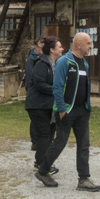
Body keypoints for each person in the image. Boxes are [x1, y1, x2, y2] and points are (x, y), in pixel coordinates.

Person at [34, 32, 100, 192]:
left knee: (84, 145)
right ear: (78, 45)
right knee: (60, 143)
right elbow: (57, 87)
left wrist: (87, 106)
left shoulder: (84, 63)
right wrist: (62, 109)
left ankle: (83, 179)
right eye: (88, 43)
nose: (90, 46)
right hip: (67, 111)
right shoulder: (64, 62)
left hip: (82, 111)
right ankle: (42, 171)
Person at [25, 36, 63, 173]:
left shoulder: (54, 64)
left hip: (48, 106)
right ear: (52, 50)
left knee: (49, 135)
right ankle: (41, 164)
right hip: (37, 105)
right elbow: (39, 84)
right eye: (59, 47)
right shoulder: (41, 64)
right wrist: (57, 90)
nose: (62, 49)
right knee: (44, 135)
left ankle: (44, 163)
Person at [24, 35, 46, 149]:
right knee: (35, 118)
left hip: (44, 93)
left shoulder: (46, 57)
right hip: (34, 92)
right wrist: (29, 91)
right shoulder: (32, 58)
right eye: (44, 42)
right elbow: (28, 75)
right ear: (39, 44)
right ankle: (35, 141)